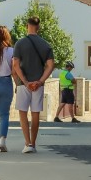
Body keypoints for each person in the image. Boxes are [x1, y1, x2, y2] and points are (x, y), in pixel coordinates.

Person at [12, 16, 55, 154]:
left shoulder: (19, 43)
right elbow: (50, 65)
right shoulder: (46, 45)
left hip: (23, 84)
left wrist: (25, 82)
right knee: (35, 113)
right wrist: (40, 81)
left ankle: (27, 143)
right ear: (39, 27)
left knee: (23, 113)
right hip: (38, 84)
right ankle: (33, 143)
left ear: (27, 26)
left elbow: (15, 65)